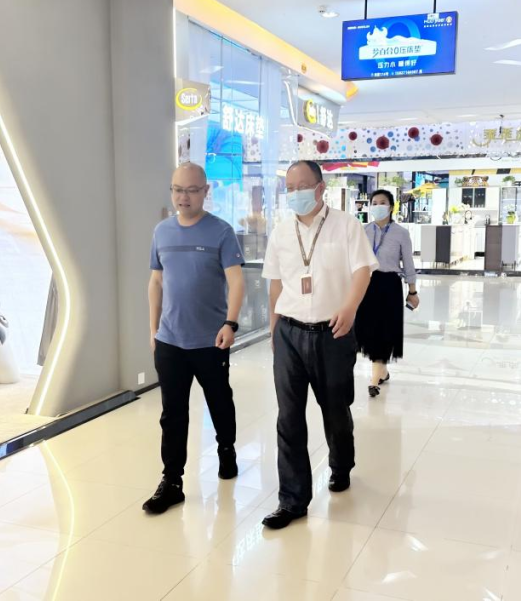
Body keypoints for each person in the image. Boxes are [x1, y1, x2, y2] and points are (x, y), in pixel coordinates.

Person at [260, 160, 378, 530]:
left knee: (335, 409)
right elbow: (276, 282)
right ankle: (292, 500)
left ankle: (341, 464)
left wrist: (350, 307)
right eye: (289, 188)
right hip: (289, 332)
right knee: (288, 417)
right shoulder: (281, 232)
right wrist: (273, 327)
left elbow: (362, 270)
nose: (295, 193)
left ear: (320, 187)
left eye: (302, 186)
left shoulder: (346, 226)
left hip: (333, 332)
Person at [143, 162, 246, 515]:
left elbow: (236, 281)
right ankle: (172, 480)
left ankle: (226, 448)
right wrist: (153, 330)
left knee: (219, 401)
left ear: (205, 192)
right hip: (170, 340)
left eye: (190, 190)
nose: (182, 197)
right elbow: (156, 282)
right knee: (173, 413)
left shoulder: (221, 232)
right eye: (177, 189)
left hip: (211, 340)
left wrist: (230, 323)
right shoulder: (162, 231)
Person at [356, 190, 418, 398]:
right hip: (367, 284)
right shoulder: (363, 231)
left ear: (391, 207)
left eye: (382, 202)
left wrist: (412, 291)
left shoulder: (401, 233)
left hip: (390, 285)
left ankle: (374, 381)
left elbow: (408, 263)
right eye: (374, 203)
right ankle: (381, 371)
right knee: (369, 330)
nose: (378, 206)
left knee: (384, 331)